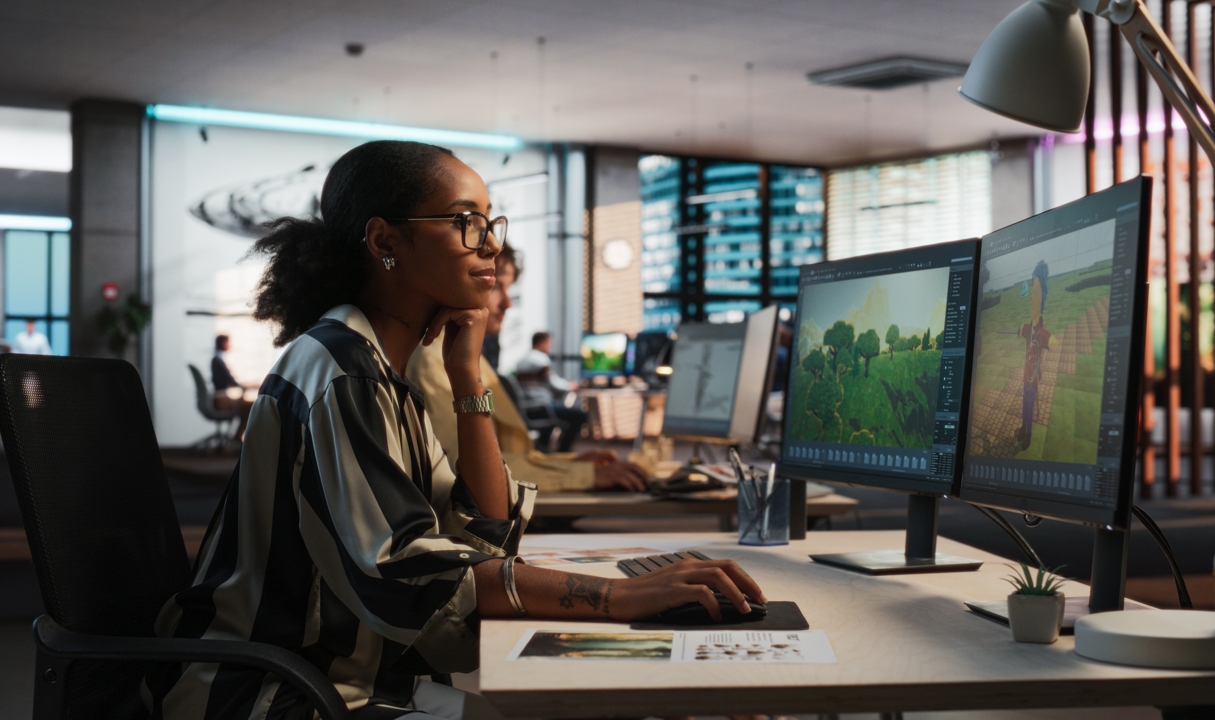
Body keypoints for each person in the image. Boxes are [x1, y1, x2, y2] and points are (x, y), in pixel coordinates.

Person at [145, 141, 760, 719]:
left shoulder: (386, 370)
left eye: (492, 222)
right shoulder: (342, 369)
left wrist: (467, 377)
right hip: (273, 694)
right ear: (385, 241)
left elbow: (485, 532)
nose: (489, 244)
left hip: (349, 680)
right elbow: (414, 575)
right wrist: (619, 596)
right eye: (467, 221)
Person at [408, 245, 648, 492]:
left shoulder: (462, 357)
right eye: (497, 285)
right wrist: (582, 475)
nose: (508, 303)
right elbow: (466, 470)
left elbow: (499, 460)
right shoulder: (434, 364)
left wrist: (569, 464)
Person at [1016, 261, 1056, 451]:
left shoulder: (1040, 330)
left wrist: (1051, 340)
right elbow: (1021, 330)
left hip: (1033, 376)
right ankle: (1023, 428)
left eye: (1037, 295)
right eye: (1033, 294)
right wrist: (1018, 330)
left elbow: (1050, 341)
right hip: (1026, 373)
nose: (1033, 299)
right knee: (1025, 402)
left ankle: (1029, 434)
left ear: (1042, 299)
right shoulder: (1029, 327)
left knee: (1030, 404)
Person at [210, 333, 256, 441]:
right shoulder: (217, 361)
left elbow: (229, 380)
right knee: (252, 406)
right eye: (228, 342)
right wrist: (245, 386)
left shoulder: (217, 359)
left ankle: (237, 438)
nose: (230, 345)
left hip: (220, 397)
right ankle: (237, 438)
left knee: (246, 408)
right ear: (223, 343)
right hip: (221, 400)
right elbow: (230, 381)